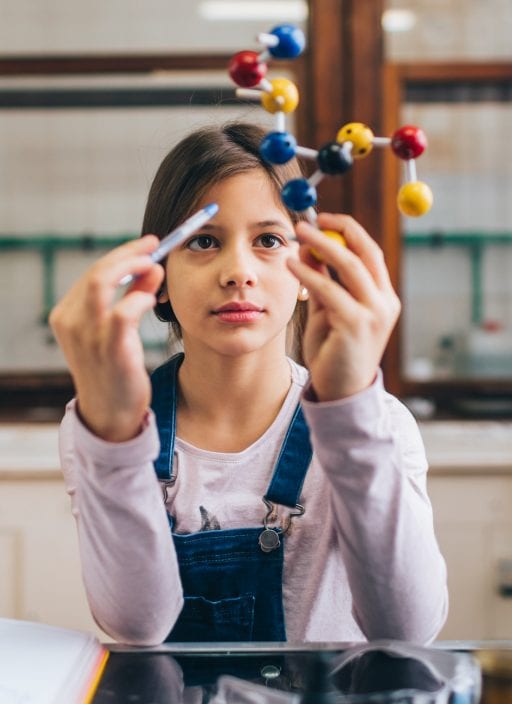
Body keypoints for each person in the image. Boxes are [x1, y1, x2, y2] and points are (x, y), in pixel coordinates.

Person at [50, 121, 448, 645]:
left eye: (268, 239)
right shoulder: (104, 427)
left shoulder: (381, 423)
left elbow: (408, 628)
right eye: (204, 241)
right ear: (159, 278)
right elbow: (137, 626)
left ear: (310, 269)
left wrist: (351, 412)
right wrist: (113, 434)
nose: (238, 270)